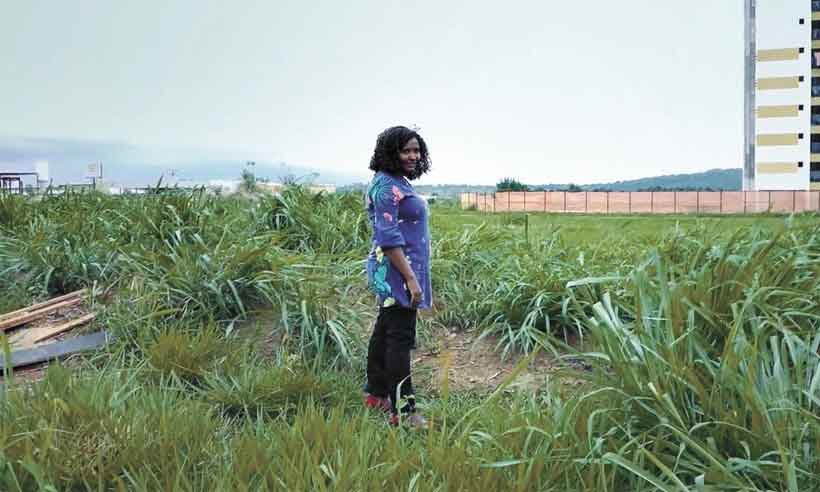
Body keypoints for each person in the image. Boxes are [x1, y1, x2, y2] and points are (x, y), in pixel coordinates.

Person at [363, 126, 432, 429]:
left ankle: (377, 394)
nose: (413, 156)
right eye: (406, 150)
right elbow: (388, 237)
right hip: (397, 270)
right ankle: (404, 412)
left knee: (385, 331)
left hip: (399, 269)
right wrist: (411, 280)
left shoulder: (395, 182)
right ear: (390, 152)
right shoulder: (385, 186)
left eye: (416, 150)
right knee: (400, 339)